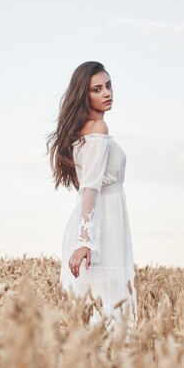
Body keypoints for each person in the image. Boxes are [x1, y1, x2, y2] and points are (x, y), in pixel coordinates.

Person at [46, 61, 138, 333]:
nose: (106, 93)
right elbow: (90, 188)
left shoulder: (87, 129)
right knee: (107, 305)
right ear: (84, 96)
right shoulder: (97, 129)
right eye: (96, 89)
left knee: (100, 305)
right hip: (103, 223)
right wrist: (85, 240)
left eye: (108, 86)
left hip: (102, 219)